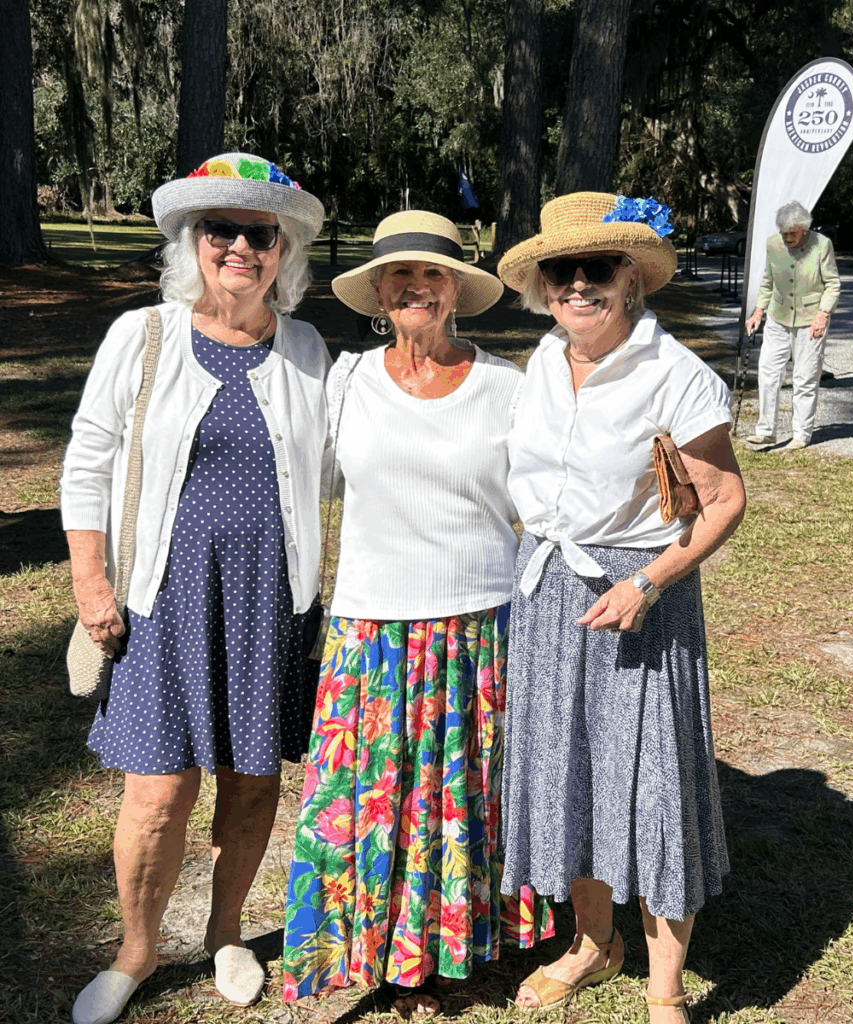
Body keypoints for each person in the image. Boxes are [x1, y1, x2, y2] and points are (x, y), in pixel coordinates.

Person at [62, 152, 329, 1024]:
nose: (241, 247)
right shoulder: (143, 336)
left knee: (251, 784)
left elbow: (340, 467)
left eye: (261, 233)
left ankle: (224, 933)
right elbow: (87, 460)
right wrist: (91, 581)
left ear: (284, 250)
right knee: (157, 794)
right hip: (161, 601)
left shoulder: (305, 349)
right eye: (222, 229)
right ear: (193, 239)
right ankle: (136, 952)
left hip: (268, 603)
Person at [282, 211, 553, 1015]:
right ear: (378, 292)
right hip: (371, 628)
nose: (417, 287)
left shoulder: (507, 388)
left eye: (433, 274)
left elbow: (547, 503)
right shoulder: (345, 382)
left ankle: (450, 945)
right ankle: (376, 950)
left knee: (454, 797)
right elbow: (303, 481)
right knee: (371, 800)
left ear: (457, 291)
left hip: (476, 625)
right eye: (399, 274)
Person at [495, 192, 746, 1023]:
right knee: (569, 772)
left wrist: (646, 584)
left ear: (630, 276)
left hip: (639, 597)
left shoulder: (675, 372)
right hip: (548, 592)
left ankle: (665, 990)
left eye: (596, 267)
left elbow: (724, 500)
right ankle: (593, 945)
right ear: (543, 285)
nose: (578, 284)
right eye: (562, 270)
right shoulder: (540, 362)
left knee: (654, 784)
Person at [744, 200, 841, 450]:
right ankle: (766, 431)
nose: (787, 238)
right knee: (767, 372)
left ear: (804, 229)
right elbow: (768, 282)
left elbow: (832, 284)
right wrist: (758, 312)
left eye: (792, 234)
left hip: (811, 320)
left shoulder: (822, 245)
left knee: (804, 377)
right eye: (784, 233)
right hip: (778, 317)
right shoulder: (773, 245)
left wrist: (823, 314)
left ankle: (801, 434)